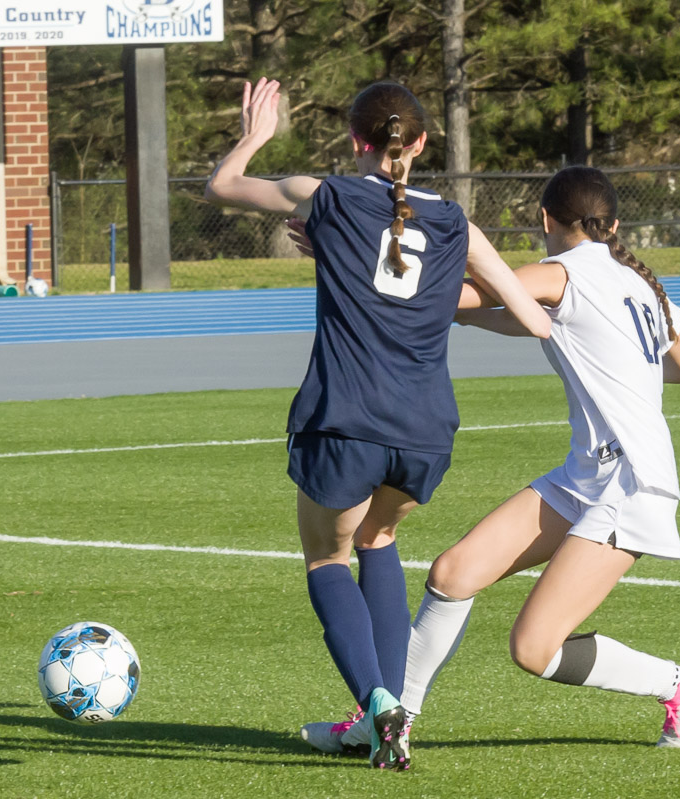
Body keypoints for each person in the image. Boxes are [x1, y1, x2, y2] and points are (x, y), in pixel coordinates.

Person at [305, 165, 680, 756]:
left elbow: (452, 292)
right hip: (590, 473)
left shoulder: (561, 271)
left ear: (546, 221)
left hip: (631, 485)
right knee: (452, 575)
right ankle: (386, 725)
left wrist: (343, 248)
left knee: (534, 648)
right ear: (614, 224)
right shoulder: (638, 279)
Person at [204, 78, 551, 770]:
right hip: (426, 428)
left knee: (328, 556)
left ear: (356, 141)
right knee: (380, 534)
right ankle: (396, 718)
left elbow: (223, 186)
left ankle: (380, 705)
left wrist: (256, 134)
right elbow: (534, 318)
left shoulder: (326, 195)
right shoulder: (458, 224)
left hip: (347, 419)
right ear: (421, 143)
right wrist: (442, 298)